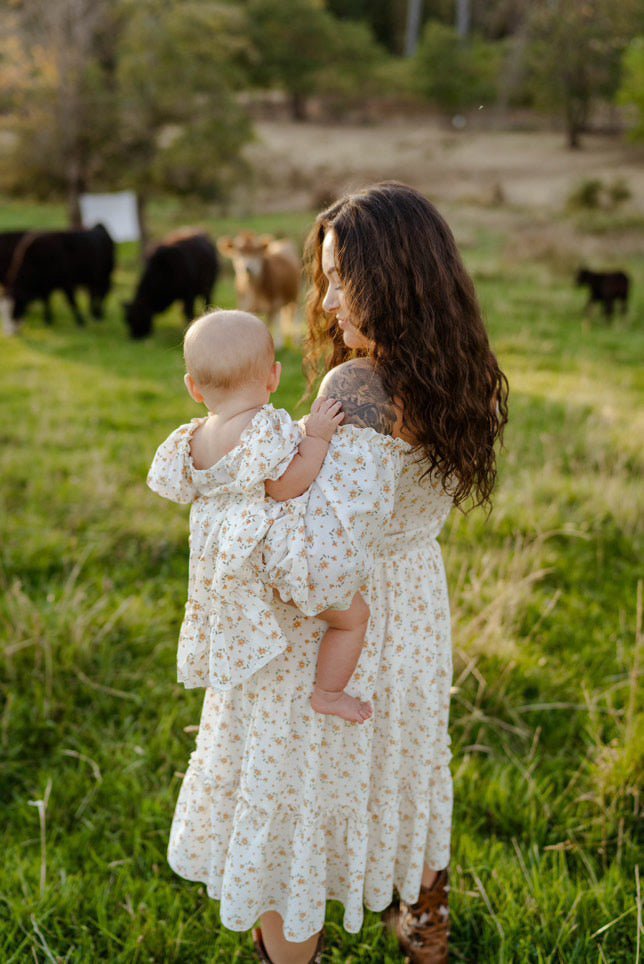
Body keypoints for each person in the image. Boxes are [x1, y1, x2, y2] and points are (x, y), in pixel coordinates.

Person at [163, 183, 508, 964]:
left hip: (333, 633)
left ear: (394, 279)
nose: (326, 299)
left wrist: (236, 529)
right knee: (397, 773)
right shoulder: (459, 372)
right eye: (325, 278)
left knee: (293, 815)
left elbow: (319, 561)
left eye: (343, 280)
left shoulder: (356, 387)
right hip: (412, 611)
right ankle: (424, 931)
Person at [148, 308, 374, 724]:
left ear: (193, 387)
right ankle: (329, 693)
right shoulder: (262, 428)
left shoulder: (192, 438)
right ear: (273, 377)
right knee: (353, 617)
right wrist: (317, 437)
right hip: (271, 555)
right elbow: (286, 485)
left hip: (225, 561)